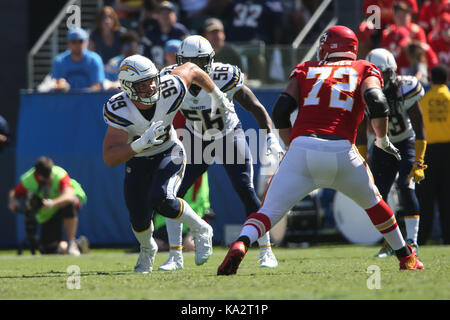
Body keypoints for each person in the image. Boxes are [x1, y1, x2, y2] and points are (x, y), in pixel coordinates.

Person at [217, 25, 424, 276]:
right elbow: (377, 102)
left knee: (267, 213)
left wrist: (291, 145)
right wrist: (381, 139)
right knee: (375, 204)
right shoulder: (363, 68)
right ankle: (406, 257)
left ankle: (241, 243)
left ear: (326, 47)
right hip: (342, 151)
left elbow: (281, 109)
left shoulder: (306, 69)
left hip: (303, 148)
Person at [158, 35, 283, 271]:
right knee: (172, 195)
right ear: (179, 60)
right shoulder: (171, 77)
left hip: (227, 136)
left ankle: (266, 251)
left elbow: (255, 106)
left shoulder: (224, 76)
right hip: (196, 138)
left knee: (246, 190)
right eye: (188, 62)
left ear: (210, 61)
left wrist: (270, 137)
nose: (193, 68)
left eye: (199, 62)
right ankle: (176, 255)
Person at [102, 54, 234, 273]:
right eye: (143, 85)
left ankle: (202, 229)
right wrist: (139, 144)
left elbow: (192, 68)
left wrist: (217, 95)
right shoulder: (119, 108)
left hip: (168, 151)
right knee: (138, 216)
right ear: (127, 87)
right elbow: (109, 157)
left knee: (162, 199)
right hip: (138, 159)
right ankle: (147, 249)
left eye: (152, 80)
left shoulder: (170, 87)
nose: (151, 87)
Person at [359, 48, 426, 257]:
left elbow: (419, 123)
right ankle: (392, 242)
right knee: (378, 194)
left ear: (392, 72)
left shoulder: (405, 87)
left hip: (405, 142)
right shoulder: (364, 91)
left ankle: (412, 242)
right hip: (381, 145)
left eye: (383, 73)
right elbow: (361, 128)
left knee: (406, 187)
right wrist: (362, 157)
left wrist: (420, 159)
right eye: (375, 73)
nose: (379, 78)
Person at [8, 156, 88, 255]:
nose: (48, 179)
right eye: (45, 178)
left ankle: (71, 242)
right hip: (49, 213)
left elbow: (69, 196)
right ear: (37, 174)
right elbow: (15, 193)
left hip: (66, 204)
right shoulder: (28, 179)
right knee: (50, 250)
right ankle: (78, 245)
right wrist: (13, 201)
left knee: (69, 203)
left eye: (49, 176)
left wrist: (50, 203)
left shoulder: (59, 174)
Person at [416, 65, 450, 245]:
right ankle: (447, 236)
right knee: (447, 196)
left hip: (428, 151)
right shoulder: (449, 97)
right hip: (448, 150)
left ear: (430, 79)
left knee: (426, 197)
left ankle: (422, 237)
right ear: (446, 78)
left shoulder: (424, 99)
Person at [140, 1, 190, 68]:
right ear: (158, 16)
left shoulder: (181, 31)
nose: (165, 16)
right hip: (156, 71)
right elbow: (143, 54)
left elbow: (189, 51)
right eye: (163, 13)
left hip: (178, 69)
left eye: (168, 13)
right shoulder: (151, 33)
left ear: (175, 15)